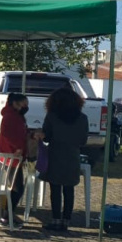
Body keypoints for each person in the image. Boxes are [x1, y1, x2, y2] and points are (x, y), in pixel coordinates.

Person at [41, 87, 89, 231]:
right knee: (69, 189)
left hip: (55, 153)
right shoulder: (83, 118)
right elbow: (83, 140)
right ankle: (66, 220)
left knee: (55, 189)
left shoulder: (51, 116)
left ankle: (55, 219)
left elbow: (47, 136)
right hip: (73, 155)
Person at [0, 92, 37, 228]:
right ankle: (6, 215)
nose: (26, 106)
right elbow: (7, 135)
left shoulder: (18, 117)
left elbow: (20, 133)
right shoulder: (10, 117)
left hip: (16, 157)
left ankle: (8, 213)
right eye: (24, 103)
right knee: (16, 187)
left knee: (16, 186)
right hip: (11, 157)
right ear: (15, 103)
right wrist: (17, 147)